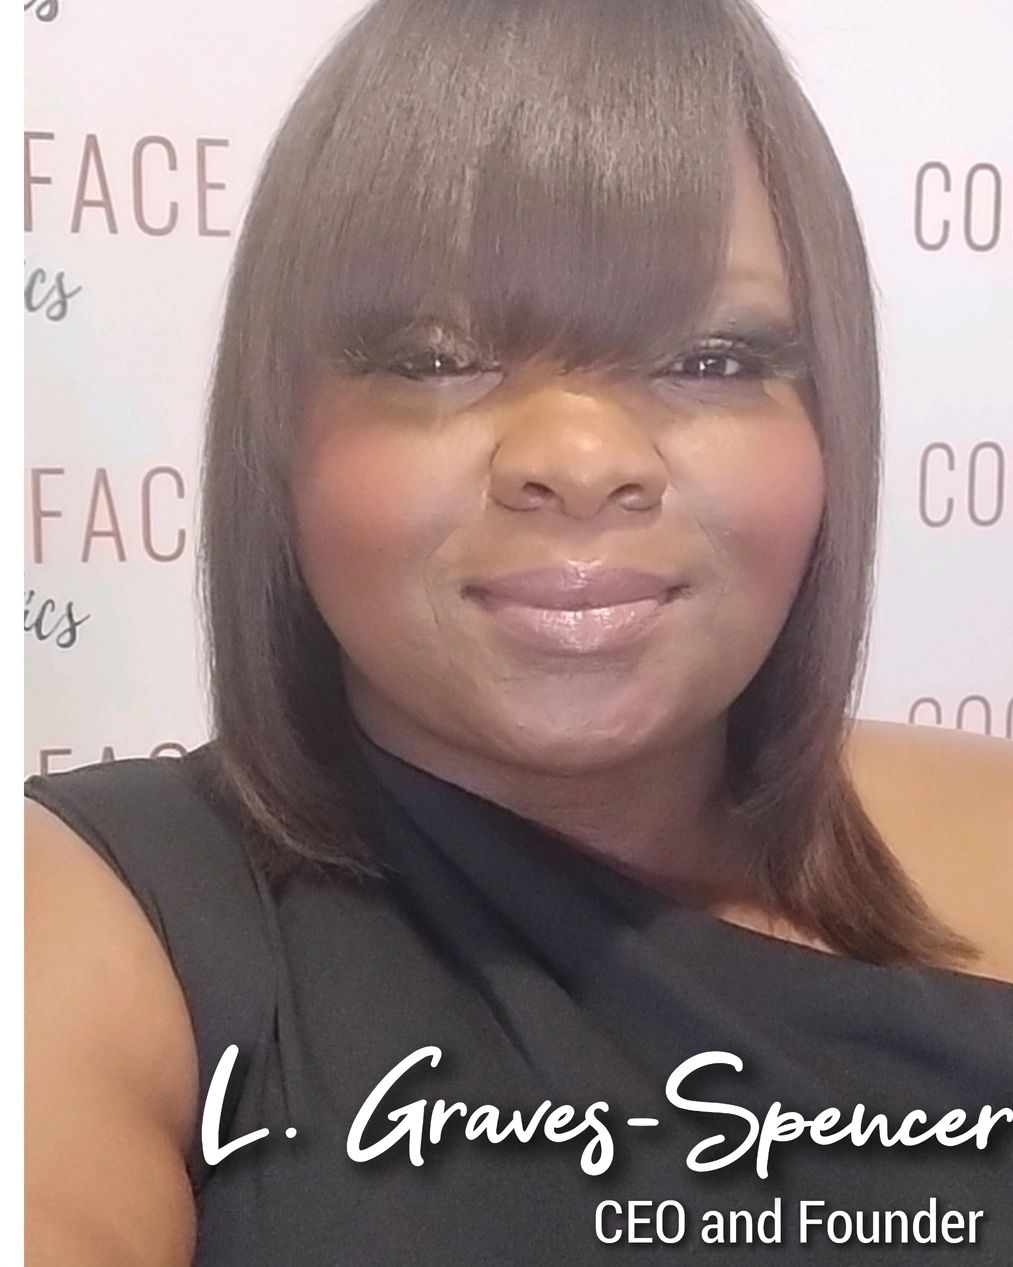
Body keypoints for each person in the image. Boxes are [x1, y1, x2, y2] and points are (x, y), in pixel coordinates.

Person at [25, 1, 1013, 1264]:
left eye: (712, 359)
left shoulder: (980, 831)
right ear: (278, 436)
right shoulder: (94, 927)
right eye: (434, 358)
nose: (581, 458)